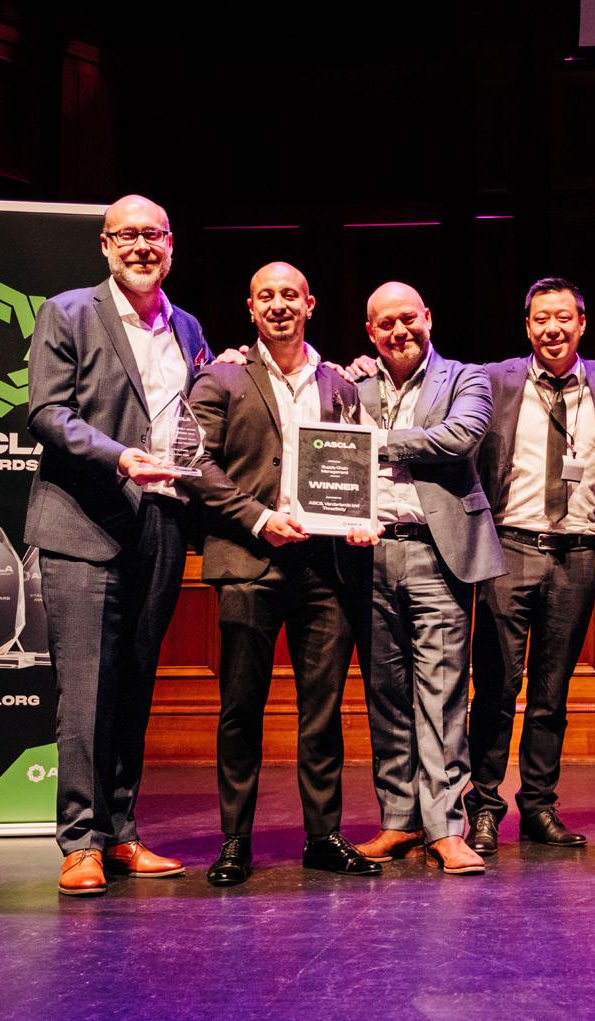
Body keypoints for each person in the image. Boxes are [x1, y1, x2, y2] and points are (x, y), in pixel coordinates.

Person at [25, 194, 211, 895]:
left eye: (153, 235)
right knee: (85, 691)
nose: (141, 246)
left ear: (172, 244)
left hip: (160, 524)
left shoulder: (187, 326)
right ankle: (80, 842)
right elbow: (48, 412)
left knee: (134, 685)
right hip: (85, 522)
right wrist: (120, 457)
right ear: (105, 245)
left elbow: (199, 414)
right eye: (127, 235)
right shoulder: (68, 311)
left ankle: (122, 832)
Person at [182, 262, 379, 885]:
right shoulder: (221, 376)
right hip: (250, 562)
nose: (278, 304)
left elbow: (355, 466)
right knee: (241, 708)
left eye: (289, 295)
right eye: (265, 295)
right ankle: (235, 841)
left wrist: (359, 517)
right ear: (251, 308)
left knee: (323, 710)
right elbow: (195, 462)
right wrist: (258, 518)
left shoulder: (340, 385)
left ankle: (323, 836)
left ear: (309, 304)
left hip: (326, 568)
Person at [350, 282, 506, 876]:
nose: (400, 331)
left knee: (441, 694)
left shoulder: (465, 378)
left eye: (408, 319)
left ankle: (445, 827)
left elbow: (459, 438)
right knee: (386, 694)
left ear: (428, 317)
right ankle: (399, 819)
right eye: (386, 323)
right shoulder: (353, 385)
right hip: (368, 555)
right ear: (371, 332)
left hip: (437, 554)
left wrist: (375, 442)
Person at [464, 277, 595, 855]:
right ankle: (484, 807)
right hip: (510, 547)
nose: (552, 329)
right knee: (496, 687)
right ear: (527, 326)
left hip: (578, 551)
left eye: (563, 318)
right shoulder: (492, 379)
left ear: (582, 323)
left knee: (552, 692)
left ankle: (538, 807)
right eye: (540, 319)